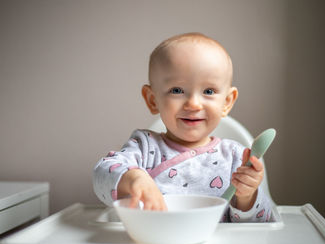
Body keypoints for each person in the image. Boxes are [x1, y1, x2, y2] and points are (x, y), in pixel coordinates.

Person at [93, 32, 272, 222]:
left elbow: (260, 227)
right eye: (177, 90)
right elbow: (102, 175)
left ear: (227, 102)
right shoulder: (144, 146)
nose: (194, 104)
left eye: (208, 91)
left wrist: (246, 197)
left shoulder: (237, 158)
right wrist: (135, 178)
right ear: (153, 100)